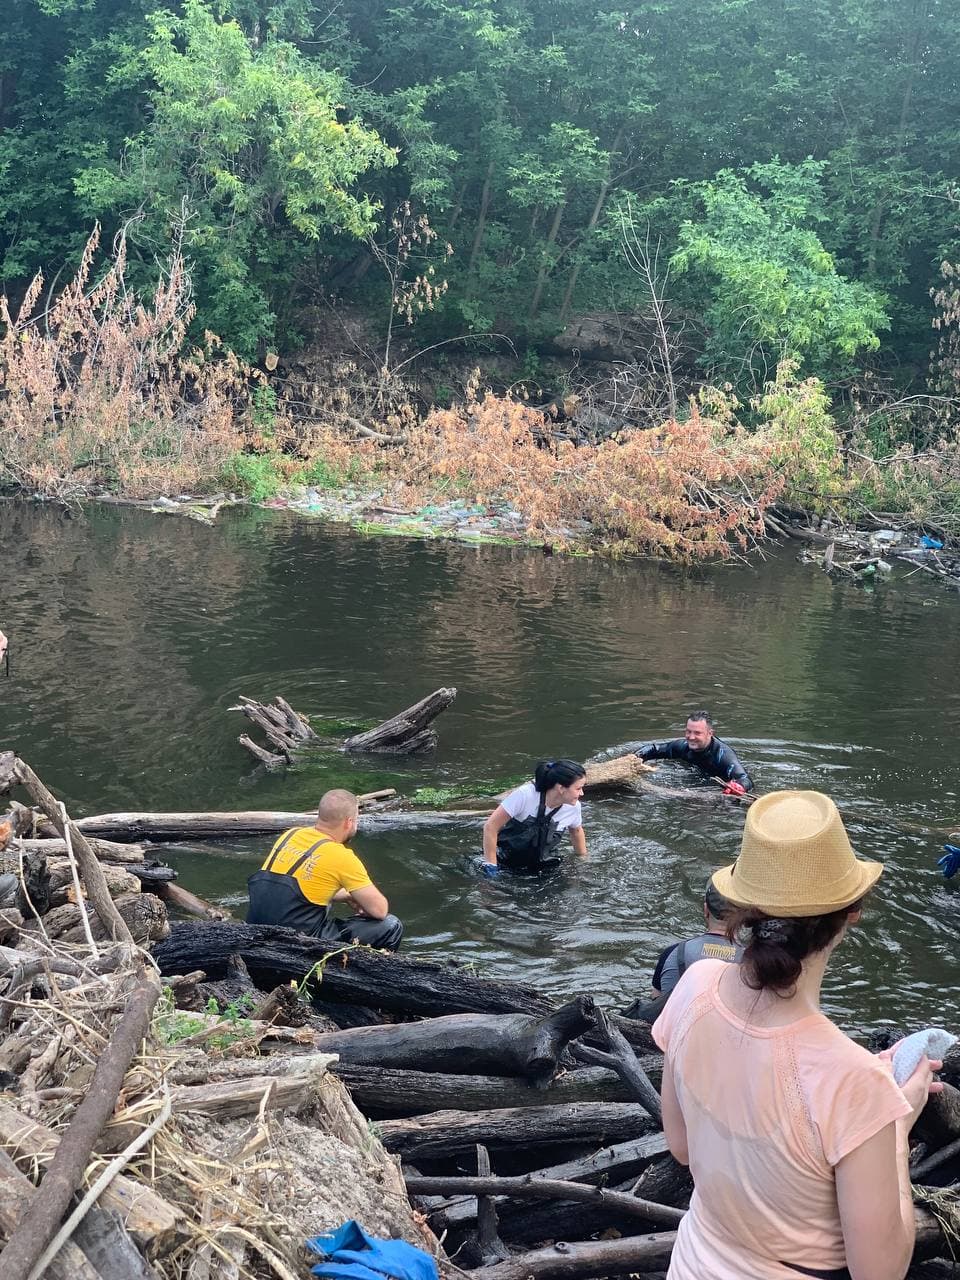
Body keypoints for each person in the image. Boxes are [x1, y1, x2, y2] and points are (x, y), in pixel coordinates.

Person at [653, 790, 942, 1280]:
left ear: (743, 907)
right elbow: (880, 1272)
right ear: (852, 911)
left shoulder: (694, 984)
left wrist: (866, 1098)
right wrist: (894, 1124)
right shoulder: (854, 1082)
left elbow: (681, 1146)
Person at [246, 788, 403, 949]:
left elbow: (290, 888)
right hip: (297, 943)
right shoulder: (341, 856)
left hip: (255, 932)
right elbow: (380, 910)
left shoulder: (291, 835)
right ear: (349, 822)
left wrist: (345, 896)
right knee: (391, 925)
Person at [482, 759, 587, 875]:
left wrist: (582, 860)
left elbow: (576, 831)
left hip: (542, 866)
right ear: (561, 788)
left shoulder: (573, 807)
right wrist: (491, 865)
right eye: (578, 788)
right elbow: (490, 827)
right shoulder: (525, 795)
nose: (582, 793)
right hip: (504, 861)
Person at [623, 709, 753, 794]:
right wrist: (634, 758)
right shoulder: (683, 746)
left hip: (713, 791)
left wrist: (739, 786)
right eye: (688, 731)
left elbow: (745, 779)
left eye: (697, 733)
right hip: (691, 782)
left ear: (710, 733)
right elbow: (654, 749)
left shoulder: (723, 755)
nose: (691, 737)